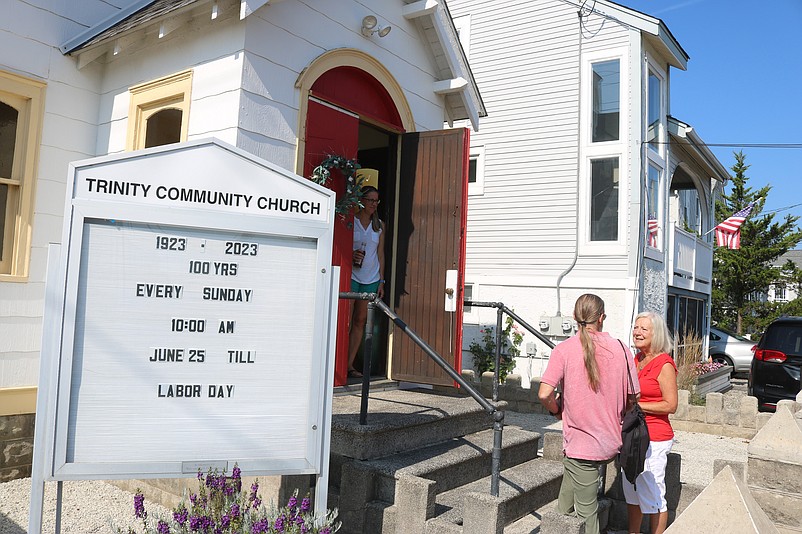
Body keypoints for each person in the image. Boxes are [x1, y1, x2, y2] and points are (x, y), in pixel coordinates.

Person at [538, 294, 638, 534]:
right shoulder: (622, 350)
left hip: (582, 444)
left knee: (587, 513)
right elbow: (634, 396)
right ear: (602, 318)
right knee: (566, 499)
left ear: (574, 317)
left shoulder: (564, 349)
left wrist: (557, 410)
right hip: (610, 441)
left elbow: (543, 393)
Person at [622, 311, 678, 534]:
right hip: (632, 434)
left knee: (653, 494)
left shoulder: (664, 363)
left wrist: (638, 407)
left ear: (656, 335)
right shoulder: (636, 360)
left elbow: (670, 405)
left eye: (644, 329)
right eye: (636, 327)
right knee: (632, 491)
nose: (637, 332)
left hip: (655, 438)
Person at [347, 186, 385, 378]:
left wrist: (382, 281)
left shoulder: (379, 226)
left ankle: (349, 365)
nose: (374, 204)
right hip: (352, 275)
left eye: (376, 201)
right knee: (345, 319)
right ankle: (336, 362)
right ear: (362, 201)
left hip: (371, 277)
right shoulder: (350, 222)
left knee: (360, 321)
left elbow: (381, 254)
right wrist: (350, 254)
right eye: (371, 200)